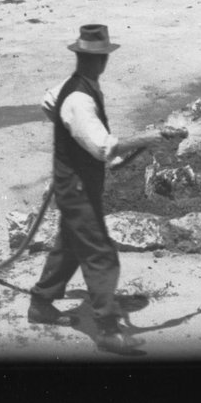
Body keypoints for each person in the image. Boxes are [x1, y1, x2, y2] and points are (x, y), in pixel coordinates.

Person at [30, 24, 161, 354]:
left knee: (71, 247)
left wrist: (68, 138)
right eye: (102, 57)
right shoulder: (79, 99)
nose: (102, 63)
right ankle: (106, 330)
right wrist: (151, 136)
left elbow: (47, 103)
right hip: (76, 188)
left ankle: (41, 305)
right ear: (101, 58)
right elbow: (104, 148)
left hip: (73, 183)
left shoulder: (70, 87)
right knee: (101, 255)